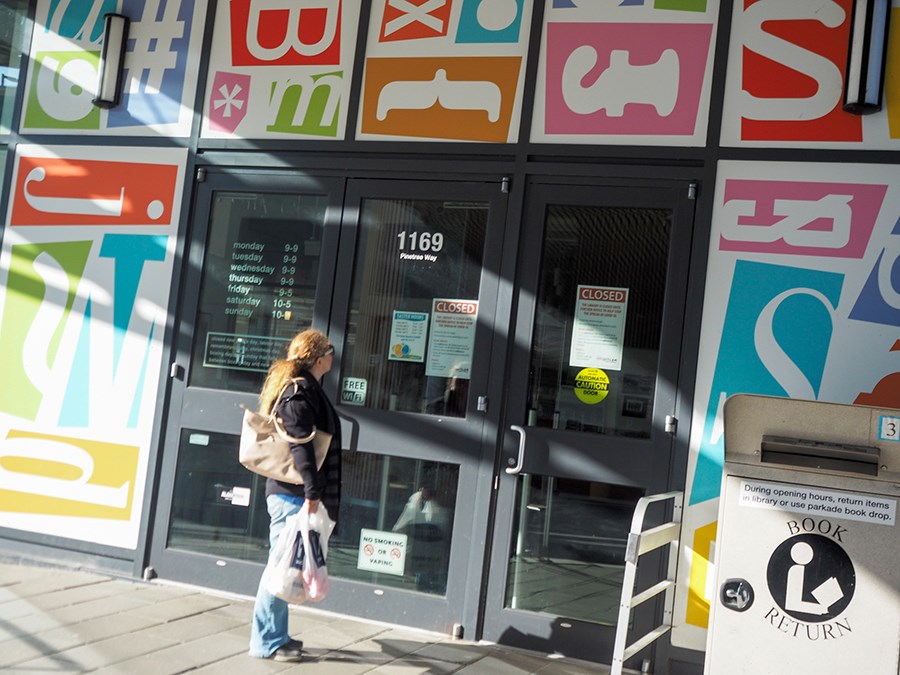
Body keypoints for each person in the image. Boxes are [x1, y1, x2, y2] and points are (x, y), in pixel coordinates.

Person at [248, 328, 341, 662]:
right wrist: (312, 490)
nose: (334, 355)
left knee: (285, 564)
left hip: (293, 493)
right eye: (330, 350)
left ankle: (277, 636)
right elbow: (299, 443)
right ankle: (266, 642)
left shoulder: (305, 387)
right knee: (279, 566)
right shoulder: (300, 391)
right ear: (318, 358)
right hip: (292, 494)